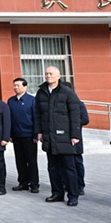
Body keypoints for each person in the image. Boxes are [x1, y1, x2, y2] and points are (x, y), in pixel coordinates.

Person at [34, 67, 83, 207]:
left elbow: (75, 115)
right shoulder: (41, 92)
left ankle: (73, 195)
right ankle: (57, 193)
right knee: (53, 167)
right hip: (49, 136)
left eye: (51, 74)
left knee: (69, 168)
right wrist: (39, 132)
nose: (48, 76)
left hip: (65, 137)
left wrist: (75, 135)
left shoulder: (68, 93)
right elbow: (37, 114)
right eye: (46, 74)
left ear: (58, 76)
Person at [7, 78, 38, 193]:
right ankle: (23, 182)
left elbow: (36, 118)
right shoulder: (11, 101)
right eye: (14, 85)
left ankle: (34, 184)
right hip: (16, 135)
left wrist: (36, 135)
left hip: (29, 136)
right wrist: (9, 134)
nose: (16, 88)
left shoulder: (32, 100)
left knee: (31, 161)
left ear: (25, 87)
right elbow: (9, 119)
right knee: (19, 161)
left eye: (18, 85)